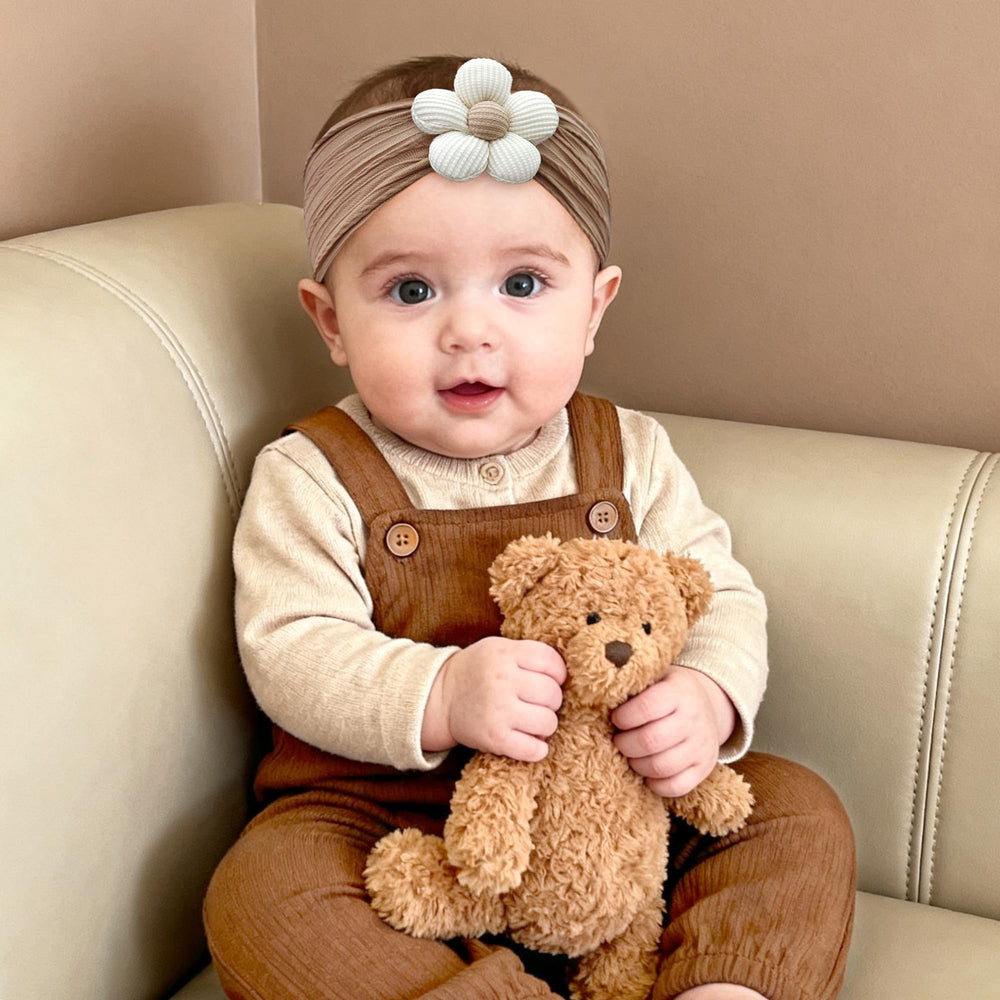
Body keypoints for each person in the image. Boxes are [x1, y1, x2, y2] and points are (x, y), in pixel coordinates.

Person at [204, 55, 856, 1000]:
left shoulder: (627, 450)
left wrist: (708, 698)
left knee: (796, 809)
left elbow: (720, 593)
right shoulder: (310, 475)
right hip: (385, 818)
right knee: (262, 893)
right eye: (412, 292)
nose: (471, 331)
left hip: (614, 804)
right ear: (330, 320)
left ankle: (722, 985)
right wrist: (439, 691)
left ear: (595, 308)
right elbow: (290, 648)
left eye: (521, 285)